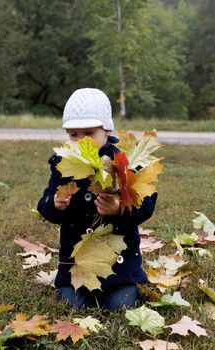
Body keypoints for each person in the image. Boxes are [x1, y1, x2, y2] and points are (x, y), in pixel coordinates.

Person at [37, 88, 157, 311]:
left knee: (122, 305)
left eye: (89, 133)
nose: (81, 141)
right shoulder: (64, 164)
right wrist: (54, 205)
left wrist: (120, 208)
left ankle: (121, 290)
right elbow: (44, 204)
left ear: (106, 129)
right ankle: (79, 291)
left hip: (119, 267)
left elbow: (146, 204)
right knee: (69, 304)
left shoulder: (124, 161)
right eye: (73, 135)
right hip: (77, 265)